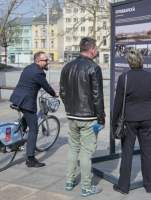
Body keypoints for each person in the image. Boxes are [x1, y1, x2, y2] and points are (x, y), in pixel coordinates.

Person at [60, 37, 105, 197]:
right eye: (97, 48)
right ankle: (86, 187)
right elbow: (97, 96)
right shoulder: (94, 68)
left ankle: (69, 181)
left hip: (72, 116)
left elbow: (63, 92)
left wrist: (70, 109)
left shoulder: (67, 67)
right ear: (92, 49)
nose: (97, 51)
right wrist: (101, 119)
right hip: (88, 117)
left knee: (73, 148)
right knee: (86, 153)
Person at [112, 49, 151, 194]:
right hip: (147, 118)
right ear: (141, 61)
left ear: (129, 62)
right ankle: (150, 184)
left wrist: (114, 121)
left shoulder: (124, 78)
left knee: (127, 152)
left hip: (129, 119)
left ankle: (124, 186)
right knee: (147, 152)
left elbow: (118, 102)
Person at [9, 51, 59, 167]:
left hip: (17, 98)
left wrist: (39, 88)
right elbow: (46, 86)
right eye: (45, 60)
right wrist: (54, 94)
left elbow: (30, 82)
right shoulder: (39, 73)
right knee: (34, 129)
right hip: (27, 102)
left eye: (48, 60)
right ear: (38, 61)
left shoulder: (29, 68)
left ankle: (17, 140)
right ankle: (30, 159)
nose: (48, 62)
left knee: (26, 120)